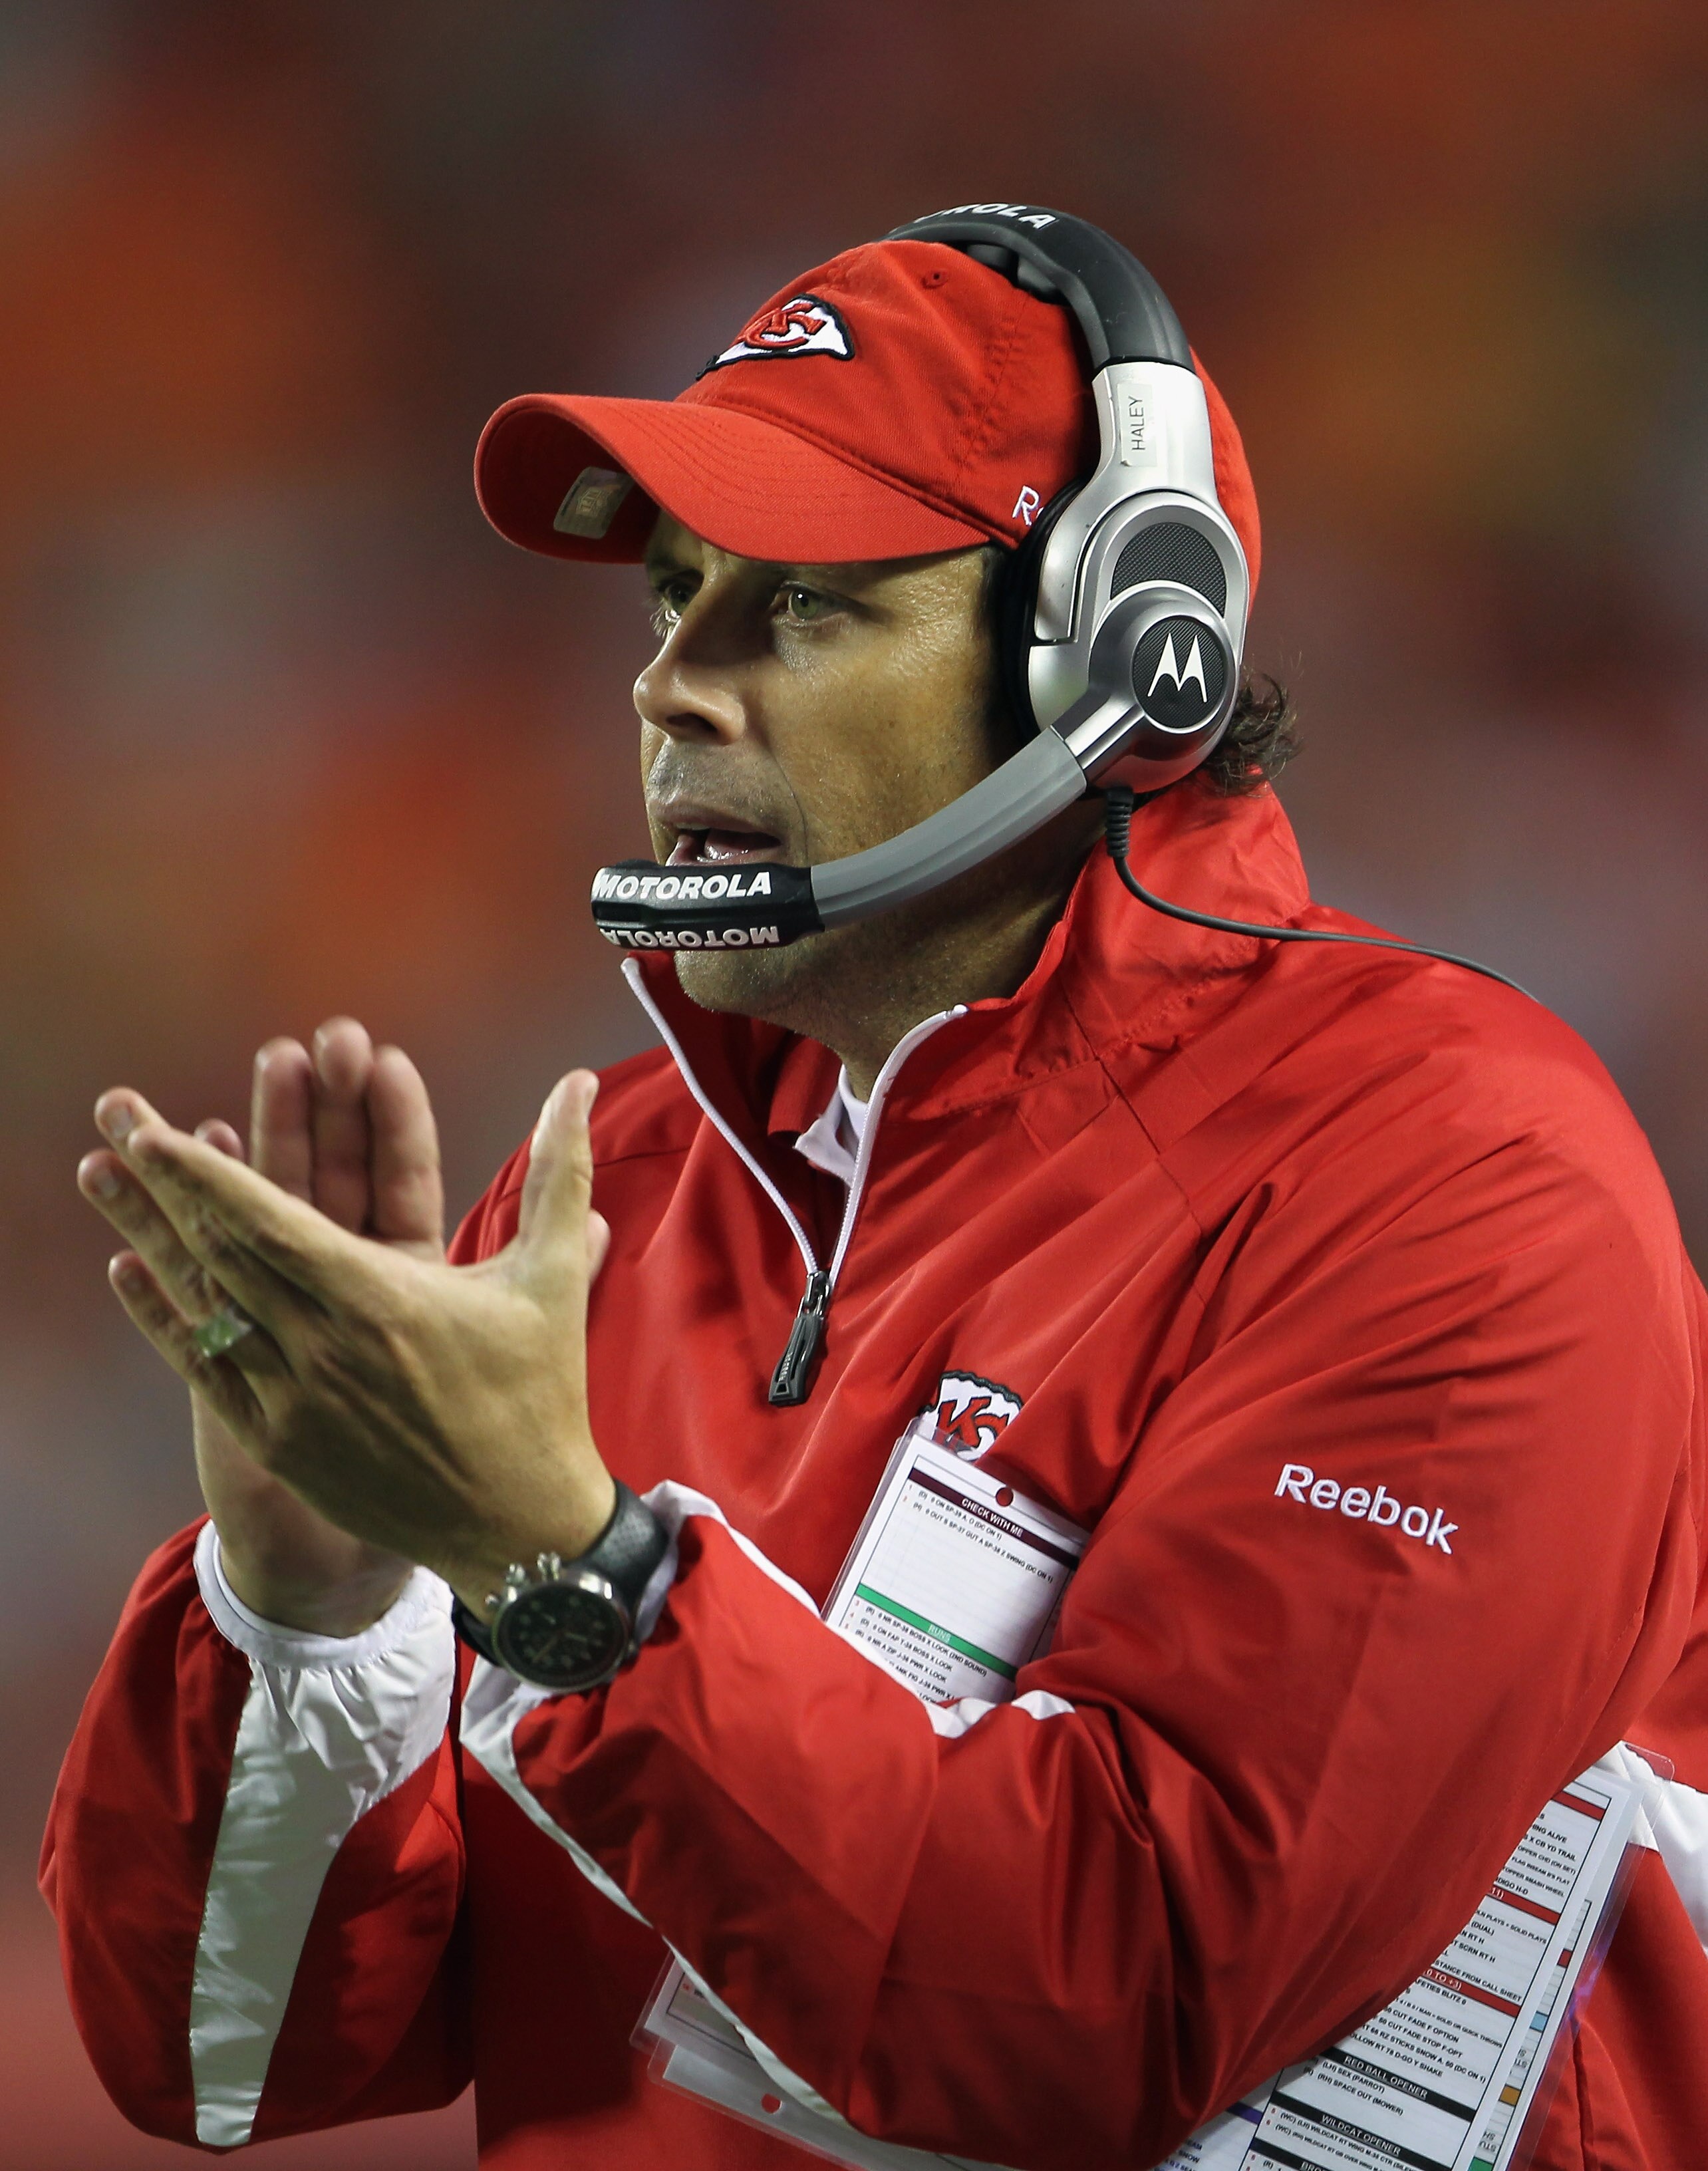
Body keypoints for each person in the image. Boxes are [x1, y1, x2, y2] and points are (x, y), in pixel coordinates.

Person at [41, 210, 1708, 2171]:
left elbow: (1127, 2003)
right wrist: (310, 1606)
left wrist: (578, 1577)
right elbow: (223, 2060)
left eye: (806, 609)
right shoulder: (602, 1212)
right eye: (673, 601)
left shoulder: (1451, 1178)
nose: (672, 688)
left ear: (1125, 654)